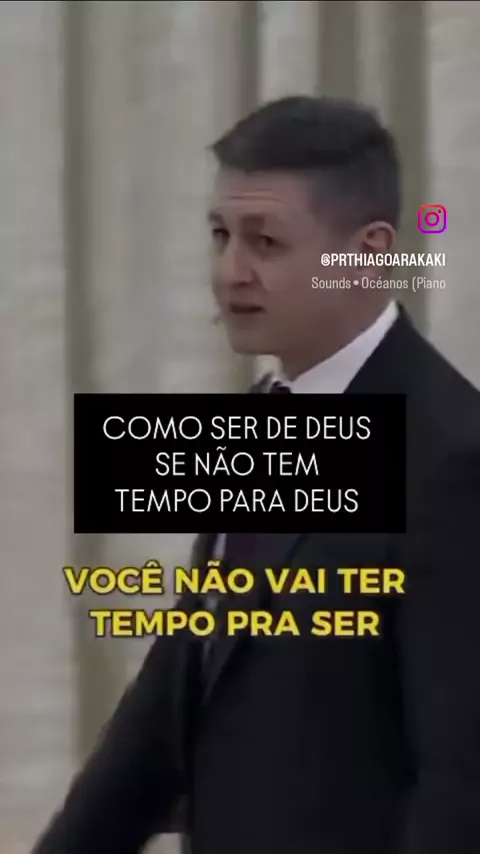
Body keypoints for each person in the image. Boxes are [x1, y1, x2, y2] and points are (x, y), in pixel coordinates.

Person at [32, 96, 480, 854]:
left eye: (265, 242)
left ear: (369, 252)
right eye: (221, 235)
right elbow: (180, 679)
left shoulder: (451, 458)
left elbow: (461, 784)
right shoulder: (266, 412)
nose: (229, 272)